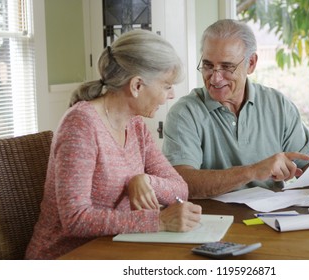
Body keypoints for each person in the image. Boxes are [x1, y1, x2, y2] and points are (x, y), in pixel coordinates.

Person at [25, 29, 202, 260]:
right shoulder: (80, 125)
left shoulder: (135, 125)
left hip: (117, 249)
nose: (170, 95)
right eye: (167, 86)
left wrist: (144, 180)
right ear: (137, 85)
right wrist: (157, 221)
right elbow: (76, 219)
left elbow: (180, 189)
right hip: (67, 256)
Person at [162, 19, 309, 199]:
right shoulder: (184, 113)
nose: (215, 78)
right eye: (208, 66)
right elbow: (181, 183)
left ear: (251, 63)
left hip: (272, 220)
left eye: (227, 67)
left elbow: (307, 166)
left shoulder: (278, 105)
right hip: (213, 222)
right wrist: (252, 172)